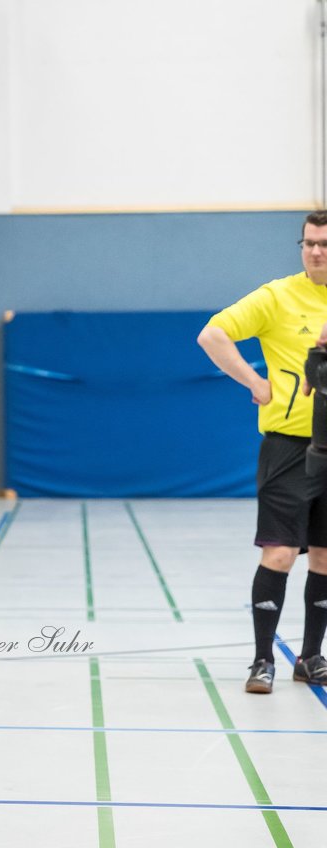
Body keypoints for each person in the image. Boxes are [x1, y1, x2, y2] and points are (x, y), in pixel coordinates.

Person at [197, 209, 327, 693]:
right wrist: (255, 382)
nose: (316, 250)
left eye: (324, 244)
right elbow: (212, 333)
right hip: (289, 448)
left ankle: (312, 657)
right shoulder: (278, 296)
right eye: (309, 242)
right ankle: (262, 661)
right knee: (278, 554)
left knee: (324, 559)